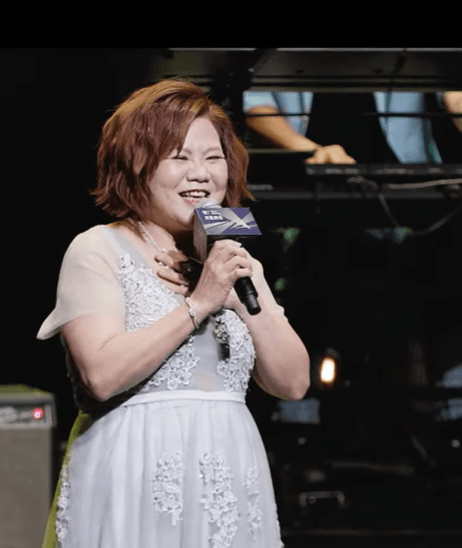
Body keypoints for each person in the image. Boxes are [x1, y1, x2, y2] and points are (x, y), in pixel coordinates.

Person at [37, 79, 310, 547]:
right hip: (134, 474)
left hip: (226, 477)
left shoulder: (235, 262)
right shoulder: (98, 248)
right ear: (136, 164)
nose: (200, 175)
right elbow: (100, 375)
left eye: (213, 158)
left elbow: (293, 382)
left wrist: (235, 298)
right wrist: (200, 303)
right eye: (180, 158)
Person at [244, 90, 462, 164]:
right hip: (291, 172)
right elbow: (254, 105)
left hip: (406, 180)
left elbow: (457, 80)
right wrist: (310, 151)